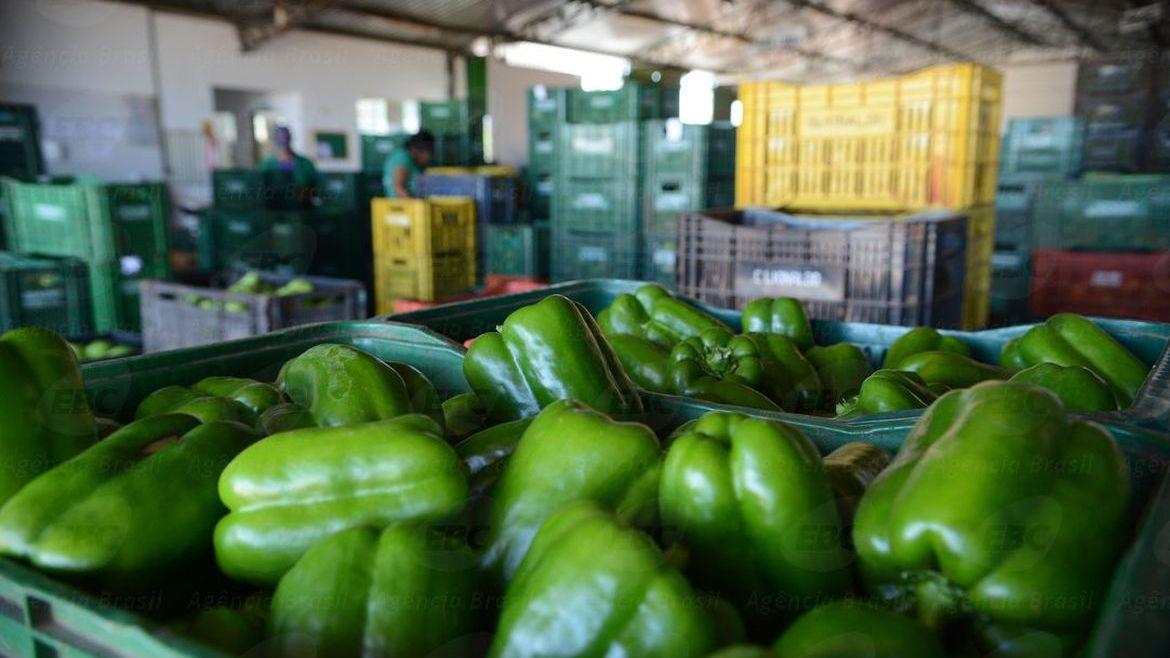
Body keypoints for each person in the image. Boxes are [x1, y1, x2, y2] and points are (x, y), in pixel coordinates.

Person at [257, 125, 318, 206]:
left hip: (302, 210)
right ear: (274, 140)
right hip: (274, 210)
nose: (283, 140)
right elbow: (258, 190)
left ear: (290, 138)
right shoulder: (266, 165)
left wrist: (302, 194)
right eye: (279, 137)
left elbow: (317, 189)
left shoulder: (305, 164)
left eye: (285, 137)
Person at [383, 130, 435, 198]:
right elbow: (398, 187)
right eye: (429, 153)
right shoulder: (402, 157)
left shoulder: (413, 161)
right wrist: (415, 203)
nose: (429, 158)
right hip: (401, 204)